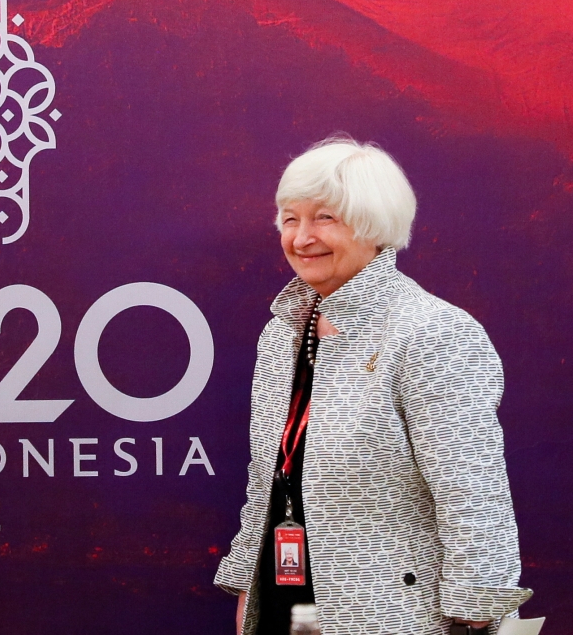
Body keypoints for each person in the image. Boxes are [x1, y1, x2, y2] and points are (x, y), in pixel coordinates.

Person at [214, 137, 532, 634]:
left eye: (325, 217)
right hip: (288, 596)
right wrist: (247, 583)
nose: (300, 238)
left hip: (393, 609)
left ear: (374, 225)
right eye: (290, 218)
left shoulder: (431, 331)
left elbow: (471, 487)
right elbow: (269, 475)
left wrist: (478, 604)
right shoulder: (282, 331)